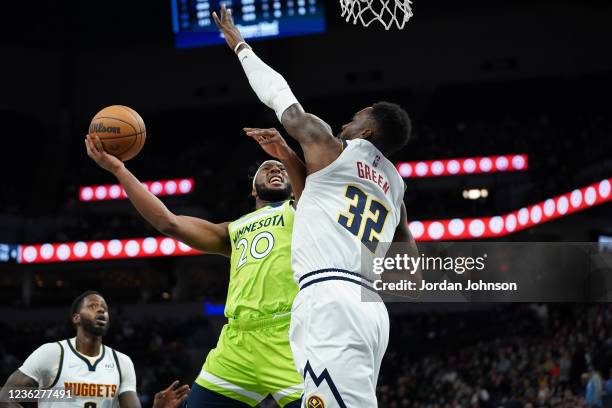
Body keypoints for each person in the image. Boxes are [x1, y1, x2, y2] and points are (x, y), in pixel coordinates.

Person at [213, 6, 420, 407]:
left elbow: (281, 98)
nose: (346, 122)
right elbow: (408, 277)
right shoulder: (395, 188)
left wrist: (240, 46)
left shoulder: (331, 146)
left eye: (355, 118)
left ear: (368, 130)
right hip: (371, 309)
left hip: (329, 298)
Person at [84, 129, 306, 407]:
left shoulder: (303, 211)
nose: (276, 169)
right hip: (237, 342)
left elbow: (310, 188)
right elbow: (168, 222)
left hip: (289, 335)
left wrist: (285, 152)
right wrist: (118, 169)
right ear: (252, 188)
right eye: (267, 168)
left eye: (281, 169)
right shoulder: (232, 229)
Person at [0, 291, 188, 408]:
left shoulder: (121, 362)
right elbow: (6, 396)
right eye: (92, 306)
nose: (101, 310)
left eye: (104, 308)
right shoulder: (51, 353)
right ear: (76, 318)